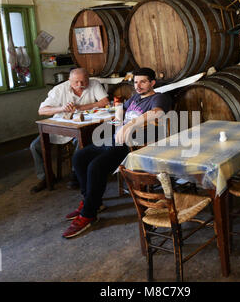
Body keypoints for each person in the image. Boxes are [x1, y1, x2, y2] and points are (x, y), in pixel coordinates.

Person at [63, 67, 172, 238]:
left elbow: (156, 113)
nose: (138, 85)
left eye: (143, 81)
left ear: (152, 83)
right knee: (79, 157)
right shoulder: (135, 98)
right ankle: (92, 202)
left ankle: (88, 214)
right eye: (136, 82)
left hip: (134, 145)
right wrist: (119, 116)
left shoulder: (159, 97)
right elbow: (121, 111)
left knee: (95, 166)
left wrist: (130, 125)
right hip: (116, 139)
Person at [29, 68, 109, 194]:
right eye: (76, 82)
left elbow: (104, 102)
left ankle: (76, 173)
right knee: (35, 146)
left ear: (88, 78)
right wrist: (61, 108)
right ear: (69, 80)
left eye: (84, 81)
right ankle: (46, 177)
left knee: (81, 141)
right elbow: (42, 110)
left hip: (85, 125)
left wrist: (81, 107)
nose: (80, 85)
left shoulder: (94, 84)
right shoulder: (59, 89)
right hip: (61, 125)